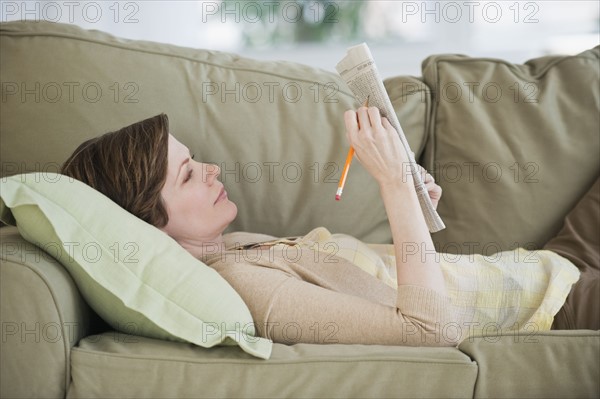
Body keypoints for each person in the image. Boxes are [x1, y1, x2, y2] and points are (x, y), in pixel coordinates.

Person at [60, 111, 598, 347]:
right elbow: (430, 332)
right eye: (188, 174)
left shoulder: (239, 249)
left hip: (544, 265)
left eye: (196, 159)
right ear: (149, 225)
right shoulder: (251, 290)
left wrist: (411, 206)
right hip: (557, 305)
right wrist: (389, 184)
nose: (212, 170)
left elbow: (389, 286)